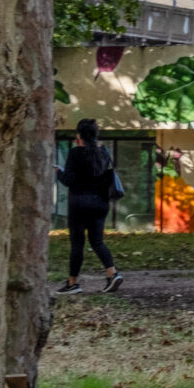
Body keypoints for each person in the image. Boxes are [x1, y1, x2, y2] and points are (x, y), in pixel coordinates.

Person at [55, 119, 123, 294]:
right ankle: (112, 273)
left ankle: (73, 283)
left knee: (77, 244)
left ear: (79, 135)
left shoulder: (75, 153)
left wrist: (59, 172)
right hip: (101, 203)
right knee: (97, 241)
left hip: (79, 204)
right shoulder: (104, 152)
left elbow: (69, 180)